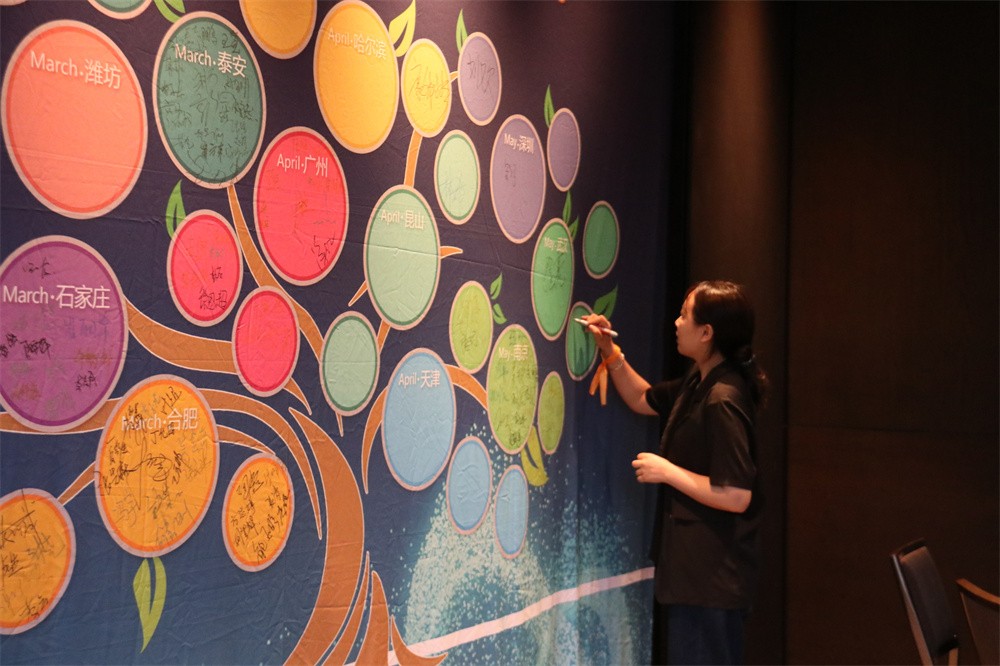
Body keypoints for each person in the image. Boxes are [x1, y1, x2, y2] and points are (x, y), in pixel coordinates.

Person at [582, 280, 767, 666]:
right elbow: (642, 398)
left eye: (685, 316)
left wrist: (667, 471)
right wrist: (609, 351)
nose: (677, 323)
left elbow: (737, 495)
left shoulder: (722, 398)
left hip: (711, 580)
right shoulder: (700, 380)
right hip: (694, 576)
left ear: (707, 332)